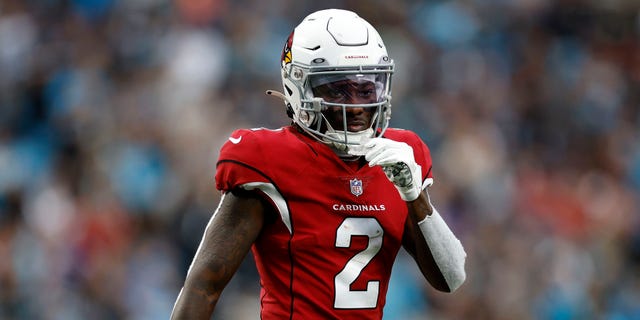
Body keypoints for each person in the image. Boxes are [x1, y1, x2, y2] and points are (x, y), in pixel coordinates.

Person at [171, 8, 466, 320]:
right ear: (296, 87)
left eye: (366, 90)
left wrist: (413, 194)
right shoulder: (268, 159)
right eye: (338, 89)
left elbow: (450, 278)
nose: (355, 106)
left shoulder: (400, 156)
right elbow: (205, 284)